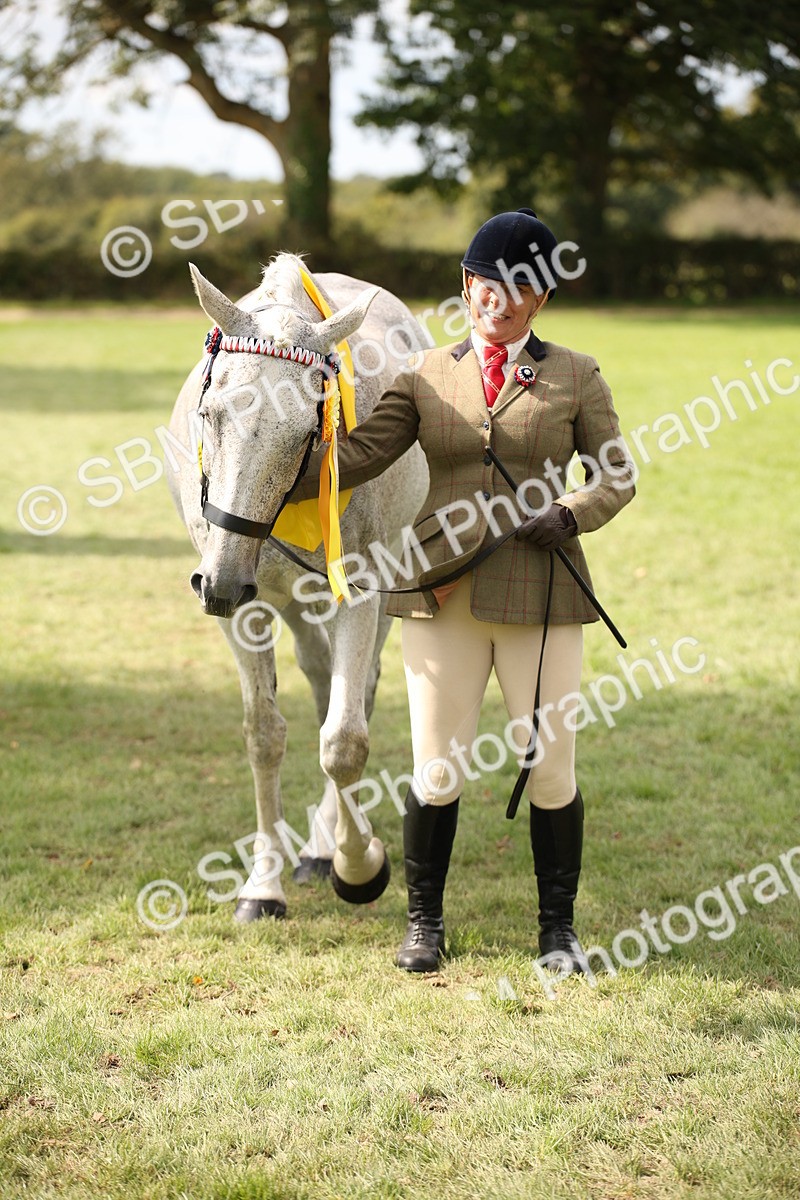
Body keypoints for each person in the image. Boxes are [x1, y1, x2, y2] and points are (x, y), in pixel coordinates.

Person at [301, 208, 635, 973]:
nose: (502, 300)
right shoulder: (425, 374)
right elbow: (363, 455)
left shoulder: (576, 374)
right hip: (439, 595)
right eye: (488, 285)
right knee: (436, 767)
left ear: (541, 299)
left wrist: (570, 513)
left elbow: (617, 475)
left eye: (521, 288)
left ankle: (557, 931)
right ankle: (424, 925)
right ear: (466, 287)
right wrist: (299, 444)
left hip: (541, 596)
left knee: (550, 764)